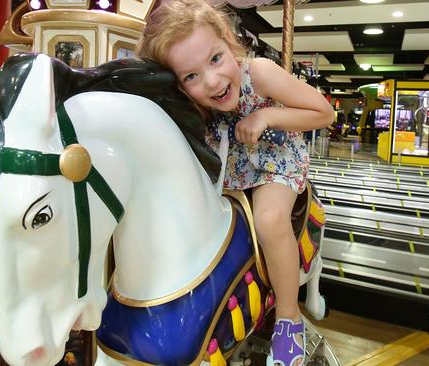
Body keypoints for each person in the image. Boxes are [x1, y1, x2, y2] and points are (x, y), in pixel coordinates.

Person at [137, 1, 334, 364]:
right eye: (191, 76)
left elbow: (324, 112)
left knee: (269, 219)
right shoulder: (191, 103)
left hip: (276, 160)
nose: (212, 81)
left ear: (229, 42)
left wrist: (267, 115)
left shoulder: (258, 72)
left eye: (215, 59)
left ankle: (288, 320)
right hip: (229, 166)